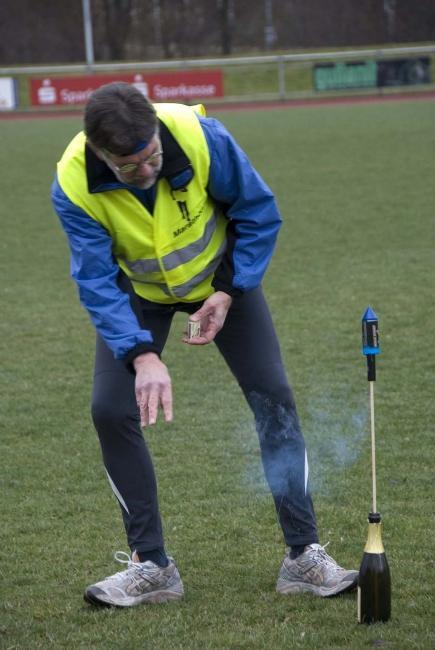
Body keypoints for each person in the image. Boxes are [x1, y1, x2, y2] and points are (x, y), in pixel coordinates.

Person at [51, 82, 358, 608]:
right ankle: (152, 566)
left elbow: (258, 211)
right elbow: (96, 278)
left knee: (273, 394)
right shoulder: (73, 184)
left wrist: (228, 289)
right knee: (109, 409)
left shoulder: (200, 137)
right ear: (100, 153)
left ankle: (304, 556)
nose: (147, 172)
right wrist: (141, 353)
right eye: (130, 168)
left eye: (152, 156)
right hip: (138, 295)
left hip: (221, 283)